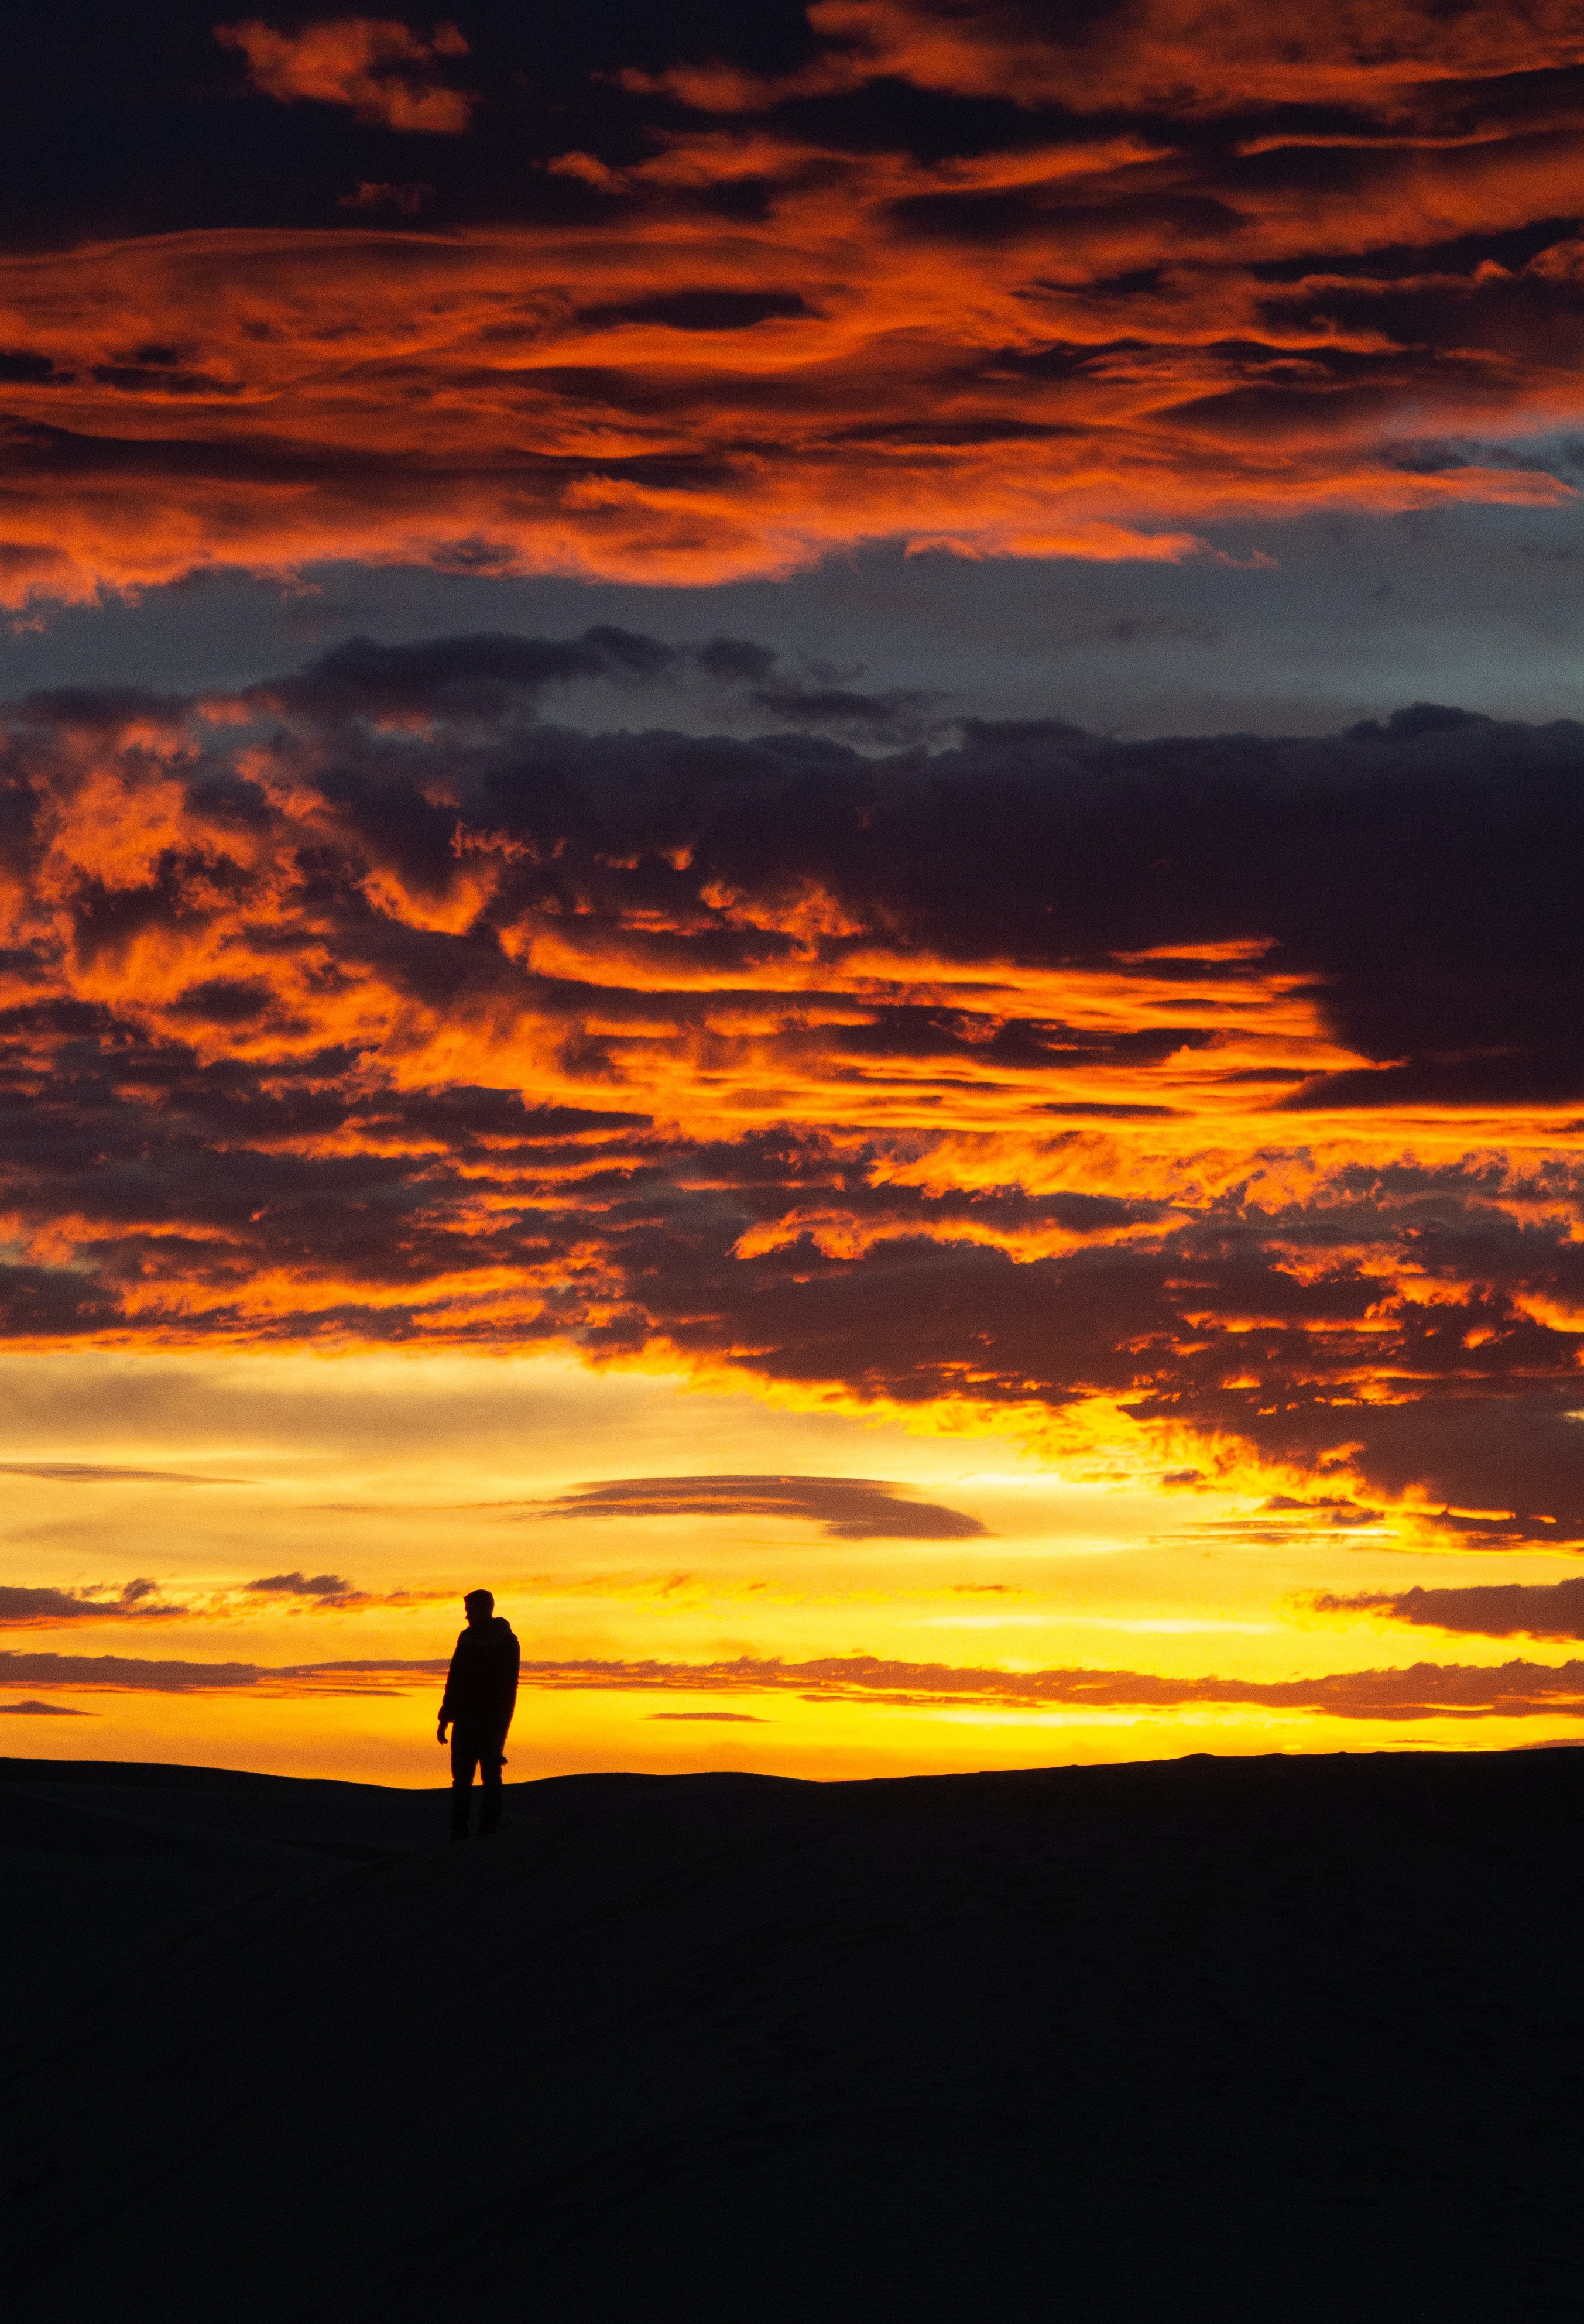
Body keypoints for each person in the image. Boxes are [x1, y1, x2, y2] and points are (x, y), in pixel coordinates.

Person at [437, 1589, 520, 1839]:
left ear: (485, 1609)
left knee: (490, 1778)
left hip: (490, 1723)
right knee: (461, 1780)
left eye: (470, 1610)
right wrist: (444, 1718)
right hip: (464, 1721)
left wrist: (499, 1728)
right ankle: (459, 1834)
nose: (467, 1616)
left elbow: (508, 1688)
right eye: (467, 1611)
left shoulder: (505, 1641)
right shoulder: (466, 1638)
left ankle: (488, 1833)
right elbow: (454, 1680)